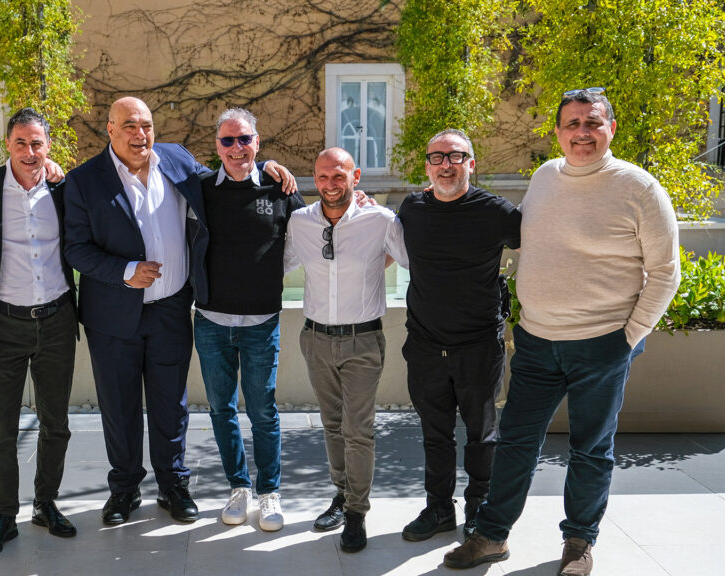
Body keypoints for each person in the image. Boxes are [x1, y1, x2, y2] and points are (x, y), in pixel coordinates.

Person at [444, 89, 680, 576]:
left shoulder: (639, 188)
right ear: (557, 132)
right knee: (515, 442)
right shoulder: (545, 176)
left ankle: (578, 543)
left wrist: (629, 336)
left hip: (602, 344)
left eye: (592, 122)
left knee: (590, 449)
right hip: (536, 341)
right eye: (572, 124)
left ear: (611, 128)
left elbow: (665, 272)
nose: (582, 133)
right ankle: (492, 535)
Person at [62, 97, 294, 525]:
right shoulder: (84, 180)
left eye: (147, 125)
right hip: (112, 315)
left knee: (171, 404)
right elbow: (75, 248)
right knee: (119, 404)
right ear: (110, 129)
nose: (140, 134)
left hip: (170, 310)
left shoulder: (176, 160)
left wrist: (266, 166)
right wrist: (125, 271)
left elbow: (231, 172)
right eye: (129, 125)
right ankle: (124, 489)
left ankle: (173, 485)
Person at [397, 129, 520, 542]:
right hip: (425, 345)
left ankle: (479, 508)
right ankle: (438, 510)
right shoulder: (412, 208)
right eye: (437, 157)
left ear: (471, 163)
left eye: (455, 156)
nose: (446, 164)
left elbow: (538, 243)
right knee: (435, 435)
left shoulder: (495, 211)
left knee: (482, 435)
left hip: (478, 346)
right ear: (427, 166)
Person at [0, 108, 78, 559]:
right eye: (21, 143)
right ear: (7, 145)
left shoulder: (64, 189)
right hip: (4, 324)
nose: (30, 152)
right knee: (1, 428)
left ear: (48, 146)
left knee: (56, 423)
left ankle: (45, 503)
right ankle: (3, 516)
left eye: (37, 144)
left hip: (57, 320)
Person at [284, 147, 408, 553]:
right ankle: (341, 495)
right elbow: (276, 263)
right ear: (314, 178)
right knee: (332, 425)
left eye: (339, 176)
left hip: (363, 340)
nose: (330, 184)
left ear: (355, 177)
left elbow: (412, 260)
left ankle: (356, 512)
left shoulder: (380, 219)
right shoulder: (300, 222)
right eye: (322, 177)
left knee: (358, 429)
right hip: (315, 339)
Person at [194, 108, 305, 532]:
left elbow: (313, 229)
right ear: (217, 146)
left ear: (257, 142)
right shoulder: (201, 189)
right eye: (228, 140)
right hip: (211, 321)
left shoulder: (279, 188)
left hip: (261, 322)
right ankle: (239, 486)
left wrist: (359, 203)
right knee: (221, 409)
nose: (236, 148)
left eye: (244, 139)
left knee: (263, 411)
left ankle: (269, 492)